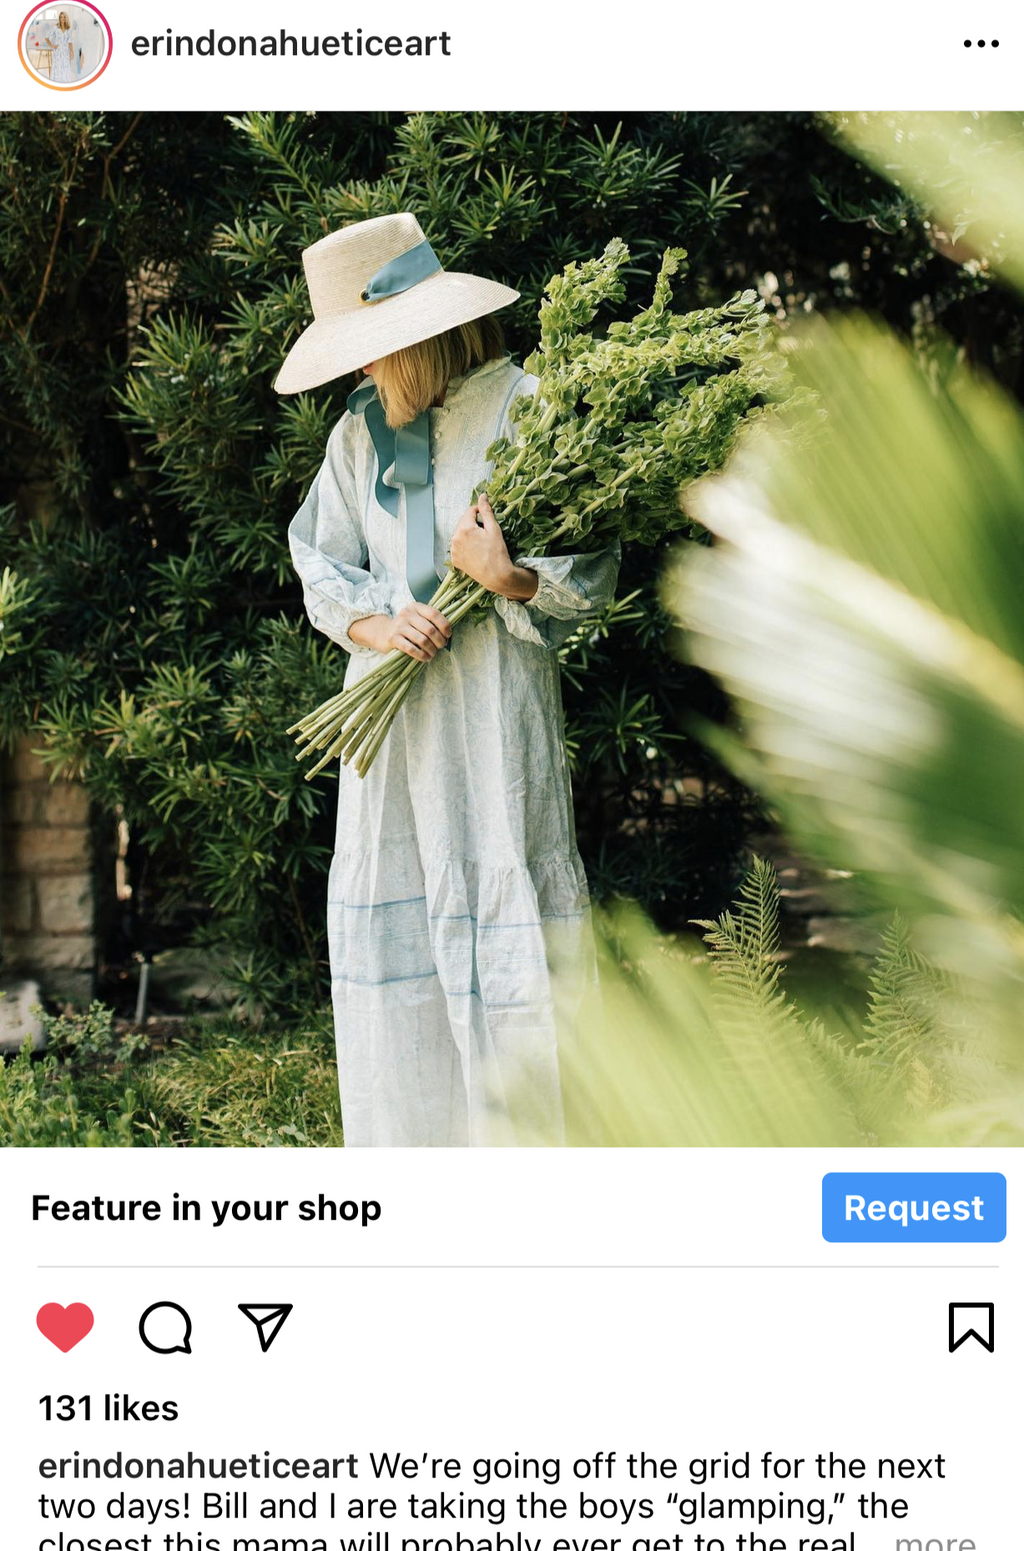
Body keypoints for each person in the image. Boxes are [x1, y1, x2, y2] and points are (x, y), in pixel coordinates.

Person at [277, 212, 620, 1147]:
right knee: (405, 943)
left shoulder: (531, 408)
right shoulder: (358, 435)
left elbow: (590, 572)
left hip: (490, 720)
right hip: (389, 739)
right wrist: (381, 623)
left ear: (419, 335)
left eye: (369, 352)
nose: (358, 373)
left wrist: (504, 576)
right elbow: (318, 558)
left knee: (508, 929)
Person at [43, 10, 79, 83]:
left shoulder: (68, 29)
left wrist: (72, 51)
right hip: (58, 52)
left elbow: (70, 42)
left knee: (66, 68)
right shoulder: (55, 28)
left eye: (64, 17)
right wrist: (51, 45)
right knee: (58, 68)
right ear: (59, 18)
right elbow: (46, 37)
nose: (62, 18)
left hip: (66, 52)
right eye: (61, 17)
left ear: (66, 18)